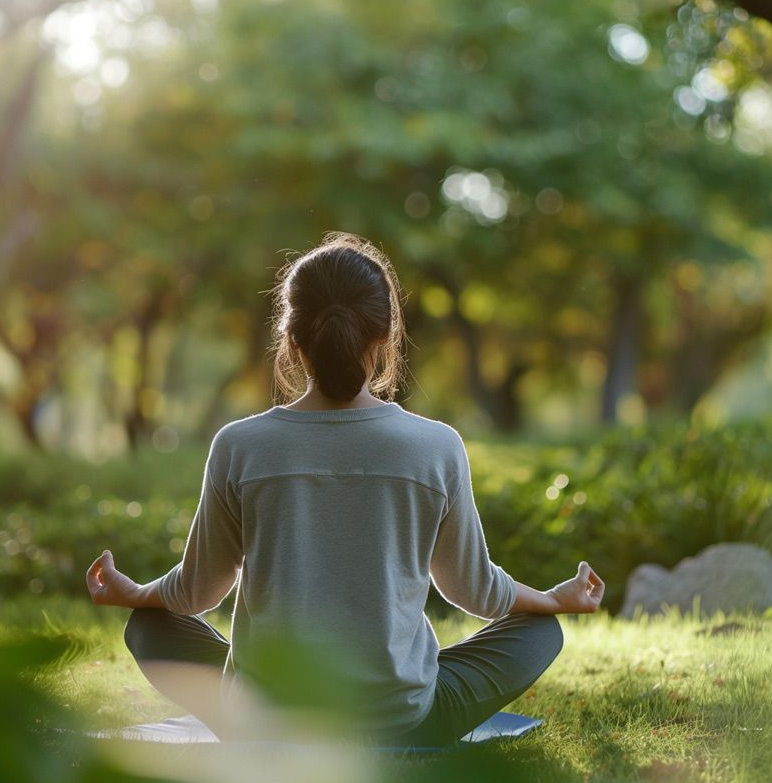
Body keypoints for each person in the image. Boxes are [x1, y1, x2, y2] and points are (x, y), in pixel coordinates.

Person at [85, 232, 603, 747]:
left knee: (148, 626)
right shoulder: (436, 446)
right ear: (385, 337)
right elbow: (475, 591)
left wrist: (137, 594)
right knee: (539, 632)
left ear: (291, 339)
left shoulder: (240, 445)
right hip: (398, 718)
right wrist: (552, 600)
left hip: (266, 721)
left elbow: (195, 592)